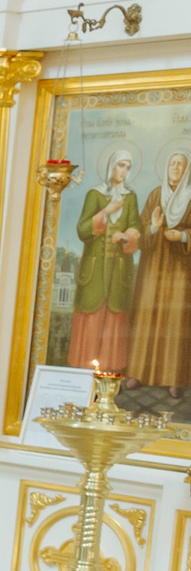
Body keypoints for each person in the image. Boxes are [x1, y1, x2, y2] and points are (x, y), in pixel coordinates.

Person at [70, 149, 139, 372]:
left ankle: (111, 376)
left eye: (128, 167)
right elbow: (82, 229)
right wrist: (105, 212)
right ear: (112, 166)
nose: (124, 171)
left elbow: (136, 226)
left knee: (115, 320)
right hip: (95, 270)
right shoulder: (95, 194)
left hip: (118, 272)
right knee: (91, 316)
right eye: (121, 165)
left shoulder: (130, 197)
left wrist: (127, 235)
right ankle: (83, 372)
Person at [129, 148, 191, 396]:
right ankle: (138, 372)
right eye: (172, 163)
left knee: (175, 320)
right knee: (147, 316)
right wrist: (153, 228)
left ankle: (174, 377)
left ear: (186, 170)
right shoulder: (156, 195)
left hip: (180, 270)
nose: (175, 168)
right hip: (153, 266)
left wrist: (184, 235)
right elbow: (142, 227)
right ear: (166, 167)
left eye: (180, 164)